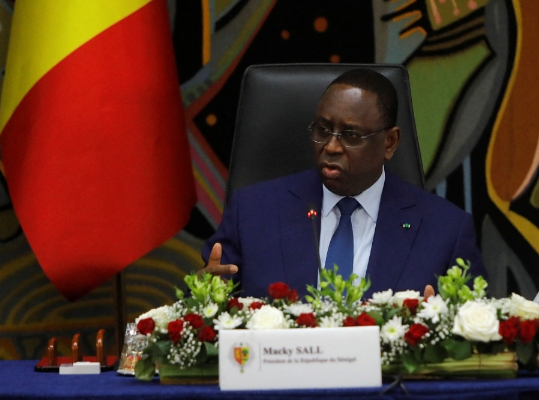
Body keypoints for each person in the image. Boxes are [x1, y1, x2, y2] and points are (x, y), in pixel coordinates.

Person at [200, 68, 486, 299]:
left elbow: (479, 333)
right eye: (323, 130)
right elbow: (200, 299)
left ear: (390, 142)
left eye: (351, 135)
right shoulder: (253, 212)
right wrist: (203, 291)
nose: (332, 146)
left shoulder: (446, 229)